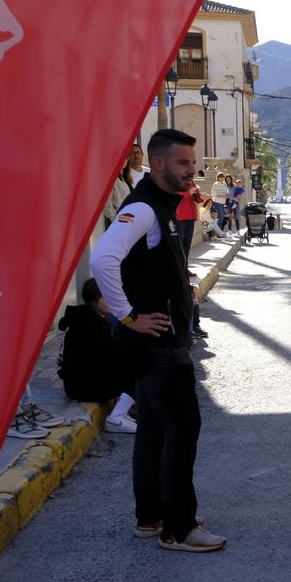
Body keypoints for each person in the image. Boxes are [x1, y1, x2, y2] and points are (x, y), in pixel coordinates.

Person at [91, 128, 226, 553]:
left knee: (153, 427)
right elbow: (102, 259)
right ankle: (179, 529)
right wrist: (128, 315)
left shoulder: (162, 204)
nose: (192, 171)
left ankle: (151, 517)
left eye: (193, 163)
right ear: (159, 163)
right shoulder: (144, 207)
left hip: (157, 343)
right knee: (183, 429)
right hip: (158, 344)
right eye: (184, 163)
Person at [58, 278, 137, 434]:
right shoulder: (89, 324)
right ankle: (116, 417)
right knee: (141, 367)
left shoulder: (91, 318)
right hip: (84, 387)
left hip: (81, 382)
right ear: (93, 301)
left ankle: (124, 411)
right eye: (105, 297)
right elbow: (108, 358)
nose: (111, 301)